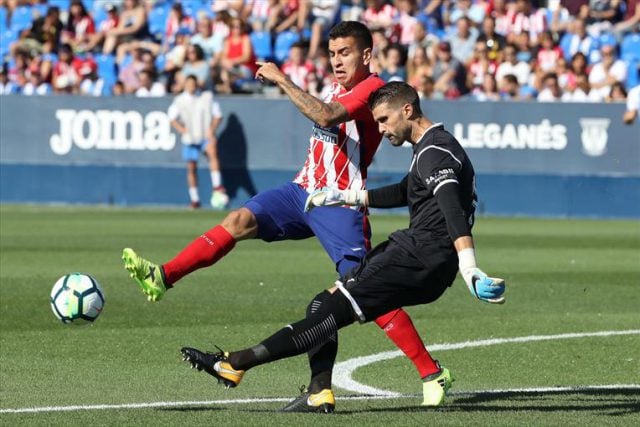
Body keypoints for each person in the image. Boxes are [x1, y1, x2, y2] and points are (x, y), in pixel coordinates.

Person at [123, 21, 446, 413]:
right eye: (332, 54)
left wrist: (282, 79)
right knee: (238, 220)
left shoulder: (372, 90)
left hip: (338, 203)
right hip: (301, 190)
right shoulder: (335, 86)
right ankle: (163, 276)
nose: (336, 61)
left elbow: (326, 117)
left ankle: (431, 372)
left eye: (345, 53)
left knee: (362, 290)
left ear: (365, 55)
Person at [179, 81, 506, 409]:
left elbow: (452, 210)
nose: (380, 129)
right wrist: (342, 196)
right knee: (323, 305)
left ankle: (235, 364)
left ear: (407, 110)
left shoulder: (434, 153)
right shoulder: (433, 146)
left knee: (327, 317)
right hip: (426, 263)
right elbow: (405, 191)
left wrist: (470, 266)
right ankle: (318, 391)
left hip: (416, 257)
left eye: (383, 120)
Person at [167, 75, 227, 209]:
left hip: (205, 136)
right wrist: (182, 129)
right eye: (188, 84)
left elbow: (218, 115)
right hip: (190, 138)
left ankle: (217, 186)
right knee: (191, 168)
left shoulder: (207, 97)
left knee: (212, 152)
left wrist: (211, 130)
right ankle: (195, 199)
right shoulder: (179, 100)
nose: (191, 86)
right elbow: (171, 118)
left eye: (193, 84)